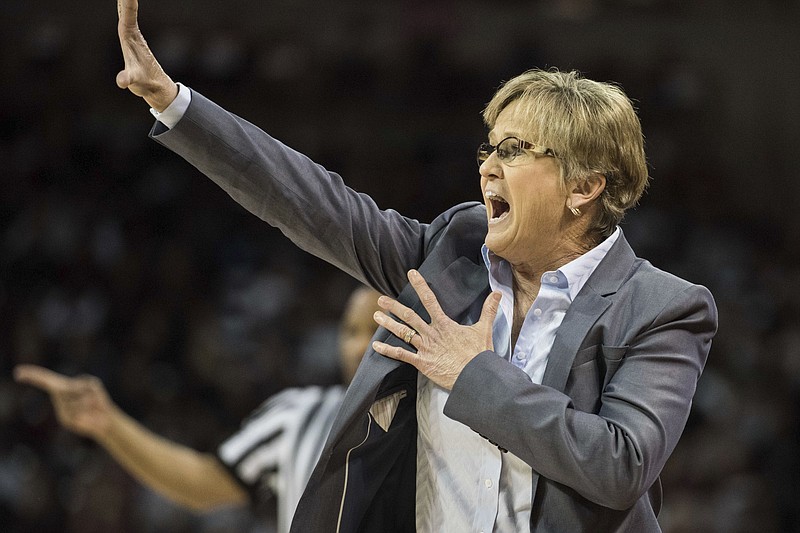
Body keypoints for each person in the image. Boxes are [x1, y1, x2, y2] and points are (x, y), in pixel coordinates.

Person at [112, 1, 718, 531]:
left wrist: (475, 373)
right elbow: (315, 203)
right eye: (488, 147)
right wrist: (177, 105)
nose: (486, 167)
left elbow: (620, 465)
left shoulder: (662, 308)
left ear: (583, 186)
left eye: (514, 151)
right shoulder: (451, 254)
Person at [14, 285, 383, 533]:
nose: (359, 347)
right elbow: (204, 484)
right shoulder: (297, 416)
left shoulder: (436, 417)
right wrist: (109, 424)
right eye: (351, 331)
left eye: (378, 330)